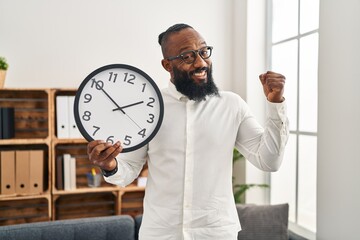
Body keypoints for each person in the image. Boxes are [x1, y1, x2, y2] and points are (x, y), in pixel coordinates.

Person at [87, 23, 289, 240]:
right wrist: (109, 166)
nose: (201, 62)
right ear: (167, 65)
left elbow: (269, 161)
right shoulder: (149, 107)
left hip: (216, 233)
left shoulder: (232, 105)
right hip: (160, 234)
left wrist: (276, 105)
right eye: (187, 56)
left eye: (204, 52)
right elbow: (127, 172)